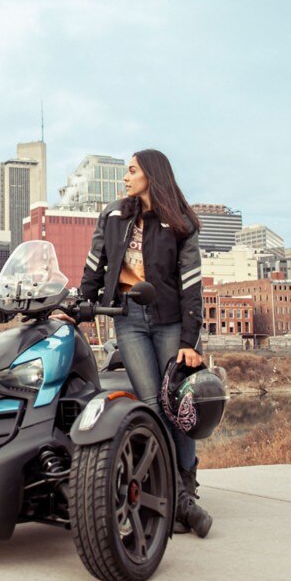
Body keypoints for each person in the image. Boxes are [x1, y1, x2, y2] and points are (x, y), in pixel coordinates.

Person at [64, 148, 212, 537]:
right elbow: (95, 268)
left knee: (176, 405)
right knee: (151, 403)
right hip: (127, 318)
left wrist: (190, 340)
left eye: (132, 170)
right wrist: (78, 309)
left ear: (151, 174)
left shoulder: (181, 222)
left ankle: (186, 487)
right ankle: (173, 495)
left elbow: (192, 285)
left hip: (170, 322)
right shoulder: (113, 215)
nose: (125, 177)